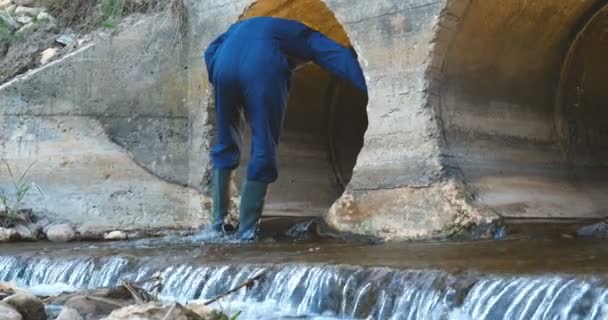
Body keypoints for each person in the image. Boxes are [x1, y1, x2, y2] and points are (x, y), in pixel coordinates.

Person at [203, 16, 367, 241]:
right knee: (264, 144)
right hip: (262, 64)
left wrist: (220, 78)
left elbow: (210, 51)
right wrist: (370, 85)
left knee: (225, 142)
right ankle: (246, 232)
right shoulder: (304, 33)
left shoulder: (241, 26)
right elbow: (337, 56)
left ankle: (217, 226)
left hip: (223, 63)